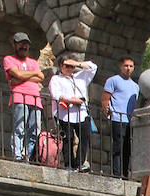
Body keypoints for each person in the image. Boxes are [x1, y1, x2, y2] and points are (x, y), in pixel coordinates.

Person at [49, 56, 97, 172]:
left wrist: (77, 63)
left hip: (81, 114)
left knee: (85, 136)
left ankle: (79, 163)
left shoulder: (80, 77)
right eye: (67, 66)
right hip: (64, 114)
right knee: (68, 138)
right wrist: (72, 101)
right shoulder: (56, 79)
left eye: (71, 66)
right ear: (61, 66)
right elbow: (56, 95)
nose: (70, 68)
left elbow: (93, 67)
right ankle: (69, 164)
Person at [5, 32, 43, 163]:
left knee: (35, 131)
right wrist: (33, 75)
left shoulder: (33, 61)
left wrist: (21, 76)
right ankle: (17, 155)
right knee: (19, 128)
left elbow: (41, 76)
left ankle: (29, 155)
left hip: (36, 100)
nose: (24, 46)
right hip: (20, 98)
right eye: (21, 43)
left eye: (26, 44)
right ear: (14, 44)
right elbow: (18, 74)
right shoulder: (9, 59)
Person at [100, 57, 137, 178]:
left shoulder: (136, 86)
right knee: (117, 147)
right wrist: (108, 114)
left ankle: (125, 174)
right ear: (121, 66)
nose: (128, 68)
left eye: (131, 66)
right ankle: (117, 173)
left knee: (128, 148)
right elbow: (105, 99)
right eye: (126, 66)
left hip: (130, 120)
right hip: (117, 118)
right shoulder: (113, 80)